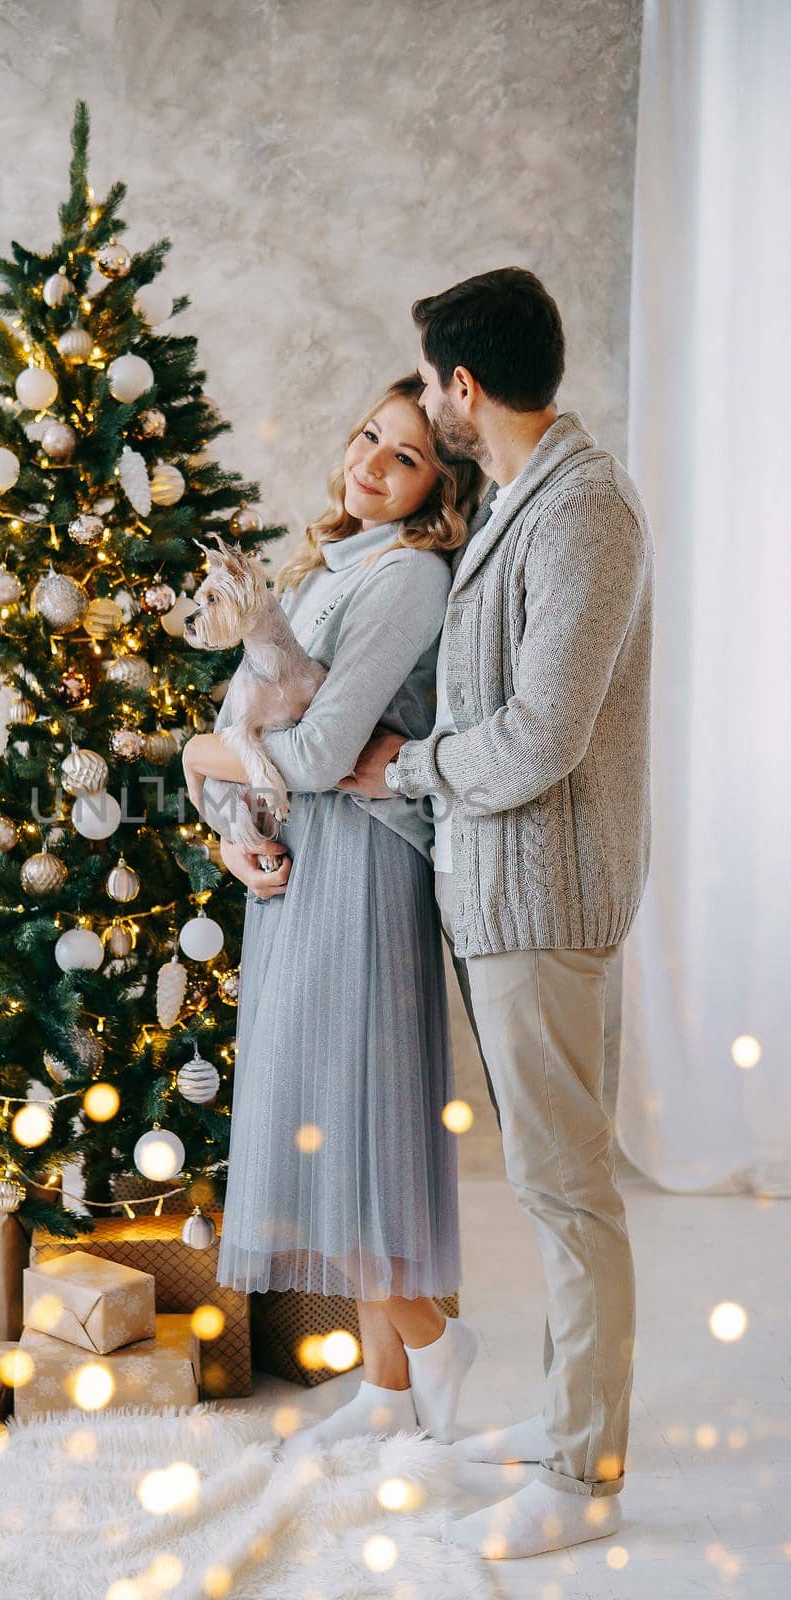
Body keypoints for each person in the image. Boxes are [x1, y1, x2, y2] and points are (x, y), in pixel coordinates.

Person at [343, 267, 654, 1559]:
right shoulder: (519, 499)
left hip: (544, 896)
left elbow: (536, 736)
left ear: (462, 388)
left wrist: (404, 770)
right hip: (493, 893)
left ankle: (584, 1480)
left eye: (426, 384)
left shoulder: (581, 512)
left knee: (569, 1194)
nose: (419, 405)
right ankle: (562, 1419)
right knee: (543, 1183)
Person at [182, 375, 482, 1452]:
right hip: (295, 869)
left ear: (436, 490)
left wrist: (188, 756)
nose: (368, 463)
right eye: (367, 437)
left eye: (401, 458)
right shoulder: (325, 569)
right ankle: (387, 1391)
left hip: (360, 871)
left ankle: (436, 1341)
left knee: (344, 1130)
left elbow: (309, 753)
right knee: (338, 1120)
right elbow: (249, 727)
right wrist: (224, 823)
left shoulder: (406, 581)